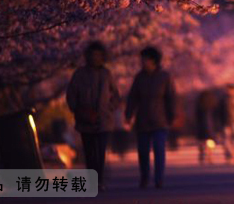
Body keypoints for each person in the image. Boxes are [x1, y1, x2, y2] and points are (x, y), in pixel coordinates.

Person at [66, 41, 120, 190]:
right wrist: (76, 109)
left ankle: (99, 180)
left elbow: (115, 95)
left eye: (98, 55)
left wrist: (110, 107)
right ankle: (92, 180)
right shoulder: (79, 74)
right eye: (92, 55)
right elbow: (71, 94)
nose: (95, 58)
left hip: (104, 119)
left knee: (101, 151)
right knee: (89, 152)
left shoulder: (106, 74)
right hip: (85, 119)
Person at [125, 46, 177, 189]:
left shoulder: (165, 76)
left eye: (145, 59)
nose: (142, 62)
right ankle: (145, 177)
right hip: (143, 120)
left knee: (159, 150)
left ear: (153, 60)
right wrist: (128, 115)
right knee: (142, 151)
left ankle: (159, 179)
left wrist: (172, 116)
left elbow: (171, 97)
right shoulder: (139, 77)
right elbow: (132, 97)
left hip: (160, 120)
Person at [194, 90, 218, 165]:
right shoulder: (213, 105)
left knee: (201, 142)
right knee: (210, 142)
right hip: (211, 126)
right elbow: (216, 116)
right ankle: (210, 156)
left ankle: (202, 154)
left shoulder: (199, 105)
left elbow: (196, 117)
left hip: (201, 127)